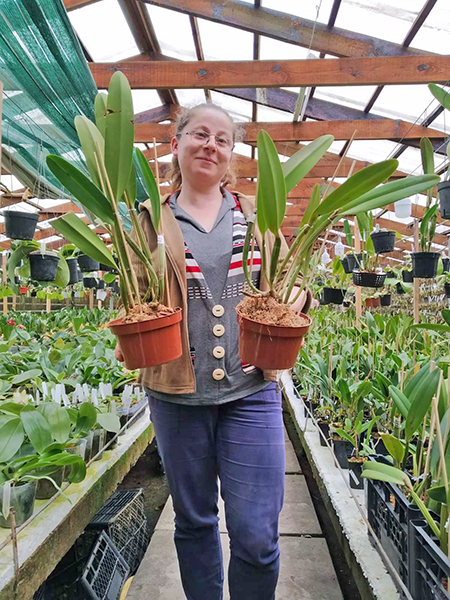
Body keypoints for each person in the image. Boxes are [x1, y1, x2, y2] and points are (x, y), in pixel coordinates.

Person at [115, 103, 312, 600]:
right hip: (177, 396)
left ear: (232, 157)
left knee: (258, 536)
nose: (211, 145)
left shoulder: (255, 215)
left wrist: (295, 303)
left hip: (251, 392)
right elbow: (133, 294)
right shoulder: (148, 223)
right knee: (195, 522)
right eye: (200, 134)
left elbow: (292, 285)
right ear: (176, 143)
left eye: (223, 140)